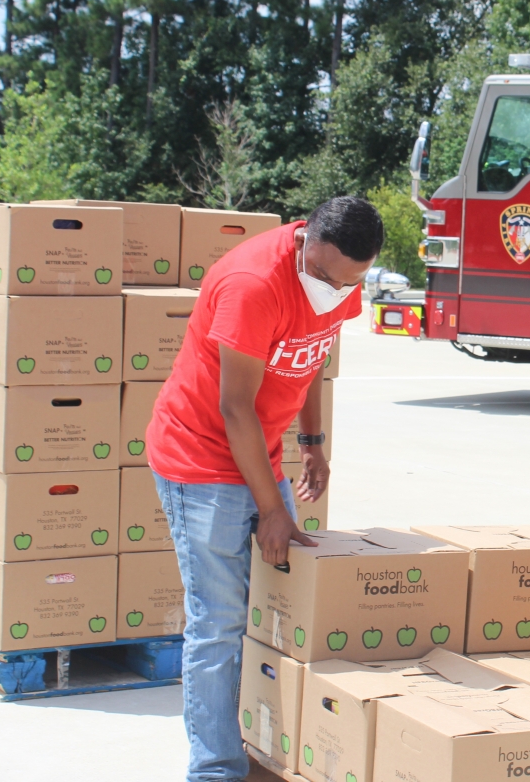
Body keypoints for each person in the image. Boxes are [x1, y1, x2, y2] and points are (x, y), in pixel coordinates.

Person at [146, 196, 382, 782]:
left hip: (259, 451)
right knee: (219, 622)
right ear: (305, 242)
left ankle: (261, 748)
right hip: (200, 459)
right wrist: (271, 507)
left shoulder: (339, 277)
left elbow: (310, 361)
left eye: (350, 282)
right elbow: (234, 406)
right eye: (326, 276)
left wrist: (314, 442)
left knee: (270, 611)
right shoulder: (255, 283)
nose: (335, 290)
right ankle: (216, 768)